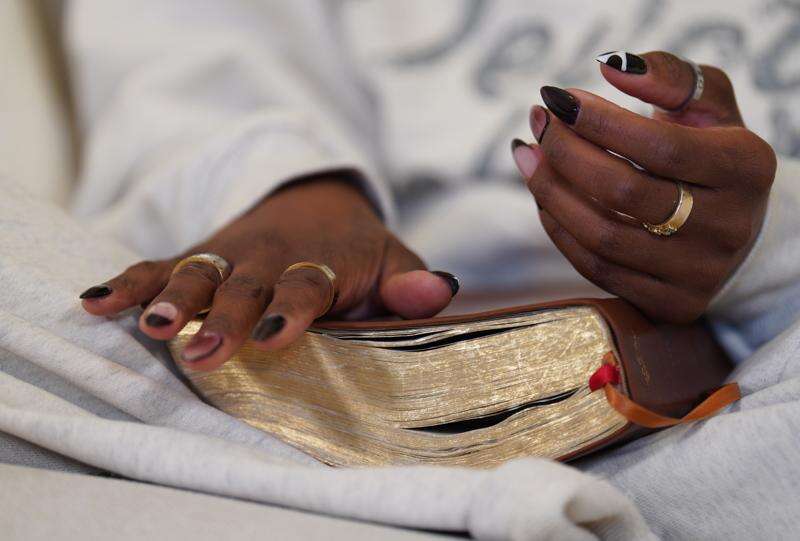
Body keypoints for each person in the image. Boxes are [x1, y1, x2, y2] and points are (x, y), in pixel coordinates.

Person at [2, 1, 799, 538]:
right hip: (342, 317)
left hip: (742, 381)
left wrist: (764, 241)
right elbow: (185, 42)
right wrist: (290, 188)